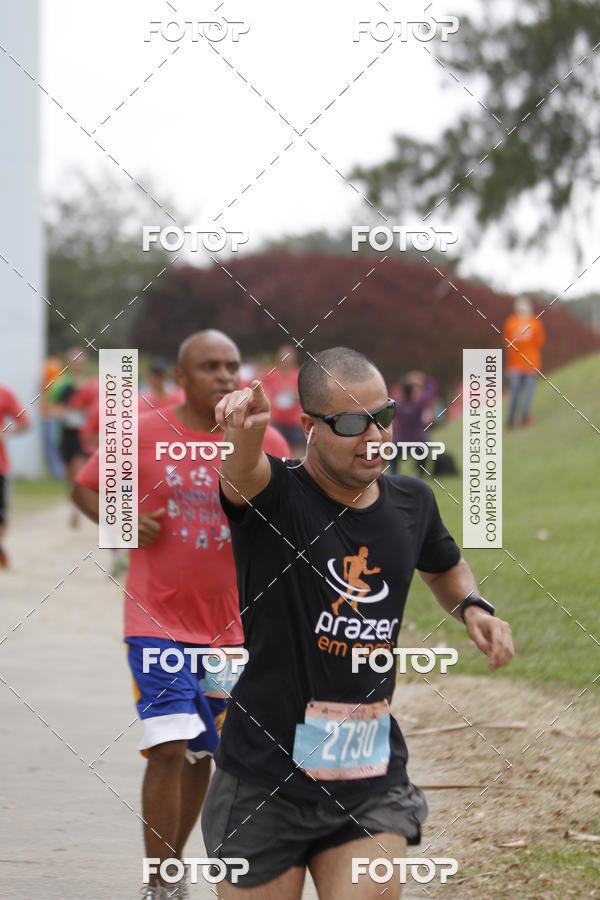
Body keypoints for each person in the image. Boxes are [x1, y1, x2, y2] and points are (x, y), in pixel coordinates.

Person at [202, 346, 514, 899]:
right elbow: (242, 472)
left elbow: (444, 566)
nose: (375, 436)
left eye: (384, 416)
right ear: (310, 428)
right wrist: (246, 431)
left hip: (365, 774)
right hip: (262, 778)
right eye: (351, 423)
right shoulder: (277, 497)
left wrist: (473, 608)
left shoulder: (411, 502)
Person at [72, 330, 290, 900]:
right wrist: (117, 522)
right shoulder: (141, 432)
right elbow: (86, 487)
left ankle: (172, 872)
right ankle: (157, 882)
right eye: (210, 367)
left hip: (230, 630)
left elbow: (294, 509)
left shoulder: (262, 439)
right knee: (168, 742)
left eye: (232, 364)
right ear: (183, 379)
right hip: (157, 620)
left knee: (202, 753)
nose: (224, 376)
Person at [48, 347, 98, 527]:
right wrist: (66, 414)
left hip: (84, 436)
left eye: (80, 360)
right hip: (66, 434)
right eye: (74, 360)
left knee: (79, 470)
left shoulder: (92, 385)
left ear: (85, 362)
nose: (77, 363)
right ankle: (73, 504)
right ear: (69, 363)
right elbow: (50, 409)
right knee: (70, 474)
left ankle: (77, 511)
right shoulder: (61, 385)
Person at [502, 296, 546, 427]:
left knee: (518, 392)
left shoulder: (512, 322)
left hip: (521, 364)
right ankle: (519, 417)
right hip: (525, 363)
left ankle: (516, 418)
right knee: (524, 393)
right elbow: (539, 342)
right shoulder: (534, 322)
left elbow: (507, 342)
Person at [0, 384, 30, 569]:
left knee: (1, 517)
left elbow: (25, 423)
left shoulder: (5, 394)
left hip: (0, 467)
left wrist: (5, 434)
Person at [392, 371, 437, 476]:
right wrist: (423, 378)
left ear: (401, 391)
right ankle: (420, 474)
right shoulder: (419, 403)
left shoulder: (397, 405)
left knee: (392, 454)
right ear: (413, 391)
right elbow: (431, 389)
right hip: (418, 440)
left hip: (400, 441)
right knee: (425, 447)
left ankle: (394, 474)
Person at [262, 344, 304, 456]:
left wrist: (295, 395)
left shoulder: (299, 374)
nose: (285, 362)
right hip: (277, 421)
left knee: (297, 452)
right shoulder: (270, 374)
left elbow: (305, 394)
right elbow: (264, 391)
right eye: (283, 359)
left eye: (288, 359)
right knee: (275, 451)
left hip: (295, 421)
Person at [41, 356, 66, 479]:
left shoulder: (57, 383)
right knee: (53, 444)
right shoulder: (57, 382)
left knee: (53, 444)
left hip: (52, 417)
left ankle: (58, 472)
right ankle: (57, 471)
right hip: (50, 416)